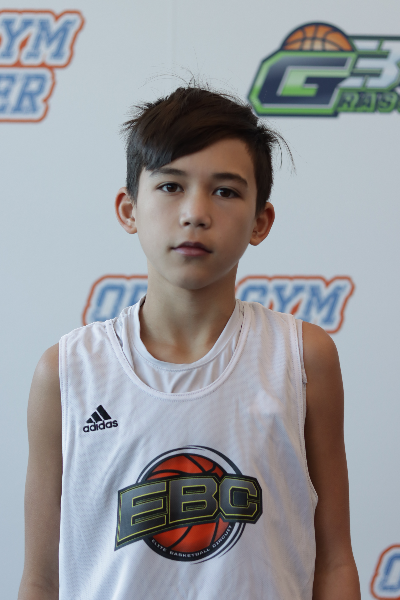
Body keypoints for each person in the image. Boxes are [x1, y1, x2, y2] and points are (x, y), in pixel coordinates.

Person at [18, 85, 361, 600]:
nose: (195, 212)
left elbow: (334, 561)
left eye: (225, 191)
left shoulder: (302, 357)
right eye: (171, 186)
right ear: (129, 209)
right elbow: (41, 579)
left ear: (260, 221)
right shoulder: (67, 372)